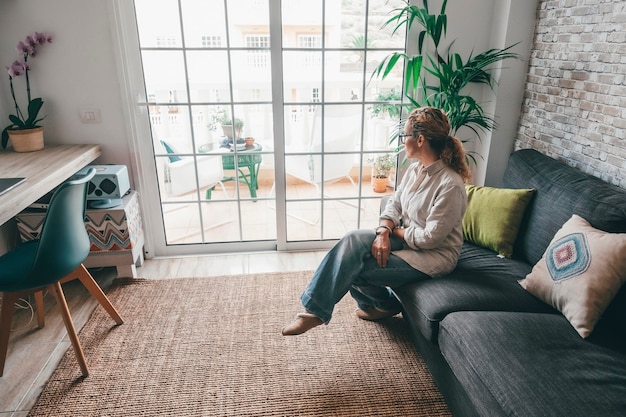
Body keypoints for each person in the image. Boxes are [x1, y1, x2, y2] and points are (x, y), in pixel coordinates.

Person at [282, 106, 472, 336]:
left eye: (405, 136)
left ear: (420, 139)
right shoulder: (415, 170)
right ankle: (313, 311)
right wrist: (383, 231)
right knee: (353, 241)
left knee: (354, 267)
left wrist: (398, 232)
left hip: (433, 257)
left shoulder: (449, 184)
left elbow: (431, 238)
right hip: (410, 239)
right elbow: (395, 203)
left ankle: (383, 305)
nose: (402, 141)